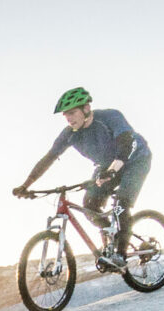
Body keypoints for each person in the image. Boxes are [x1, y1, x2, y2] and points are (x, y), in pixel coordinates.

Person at [13, 87, 151, 270]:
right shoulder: (69, 134)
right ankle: (114, 236)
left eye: (72, 113)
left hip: (135, 160)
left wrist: (112, 170)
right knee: (90, 205)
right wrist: (26, 185)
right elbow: (48, 159)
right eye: (65, 115)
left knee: (121, 205)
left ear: (86, 109)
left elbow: (126, 144)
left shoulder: (110, 117)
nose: (69, 118)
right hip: (106, 167)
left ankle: (120, 254)